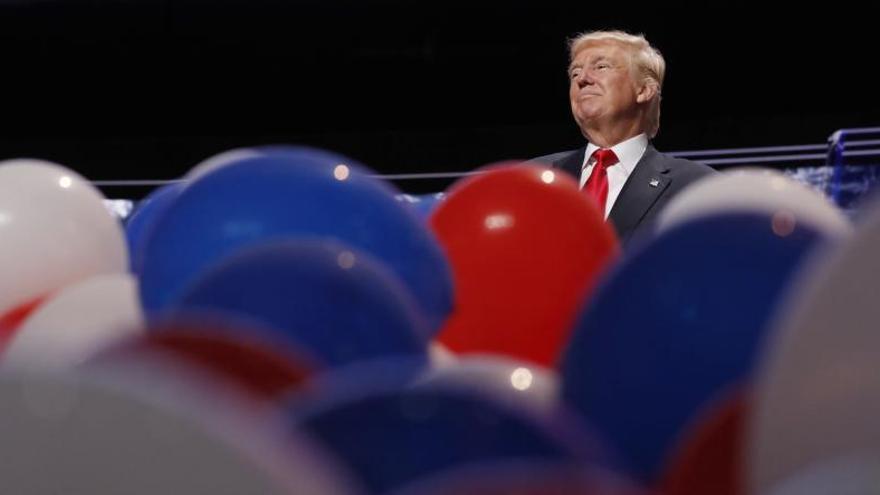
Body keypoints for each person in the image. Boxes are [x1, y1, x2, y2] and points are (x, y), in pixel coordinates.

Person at [533, 30, 715, 244]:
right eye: (575, 73)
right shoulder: (532, 178)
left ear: (644, 90)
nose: (582, 79)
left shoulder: (696, 187)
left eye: (601, 67)